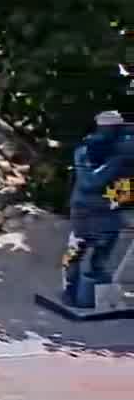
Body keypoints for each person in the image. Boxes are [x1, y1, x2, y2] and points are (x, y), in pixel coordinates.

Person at [64, 110, 133, 308]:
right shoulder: (86, 150)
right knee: (77, 248)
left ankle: (95, 291)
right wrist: (117, 162)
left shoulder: (119, 149)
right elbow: (90, 181)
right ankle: (70, 288)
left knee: (106, 244)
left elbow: (126, 184)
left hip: (109, 206)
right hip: (85, 207)